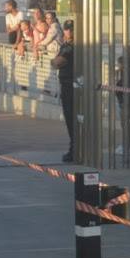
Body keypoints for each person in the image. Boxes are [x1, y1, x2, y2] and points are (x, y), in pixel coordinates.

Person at [52, 21, 76, 162]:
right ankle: (74, 147)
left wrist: (52, 61)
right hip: (67, 84)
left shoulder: (69, 47)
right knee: (71, 119)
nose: (68, 32)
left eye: (70, 29)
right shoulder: (67, 45)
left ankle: (74, 149)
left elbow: (58, 62)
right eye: (66, 29)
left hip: (69, 85)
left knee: (72, 119)